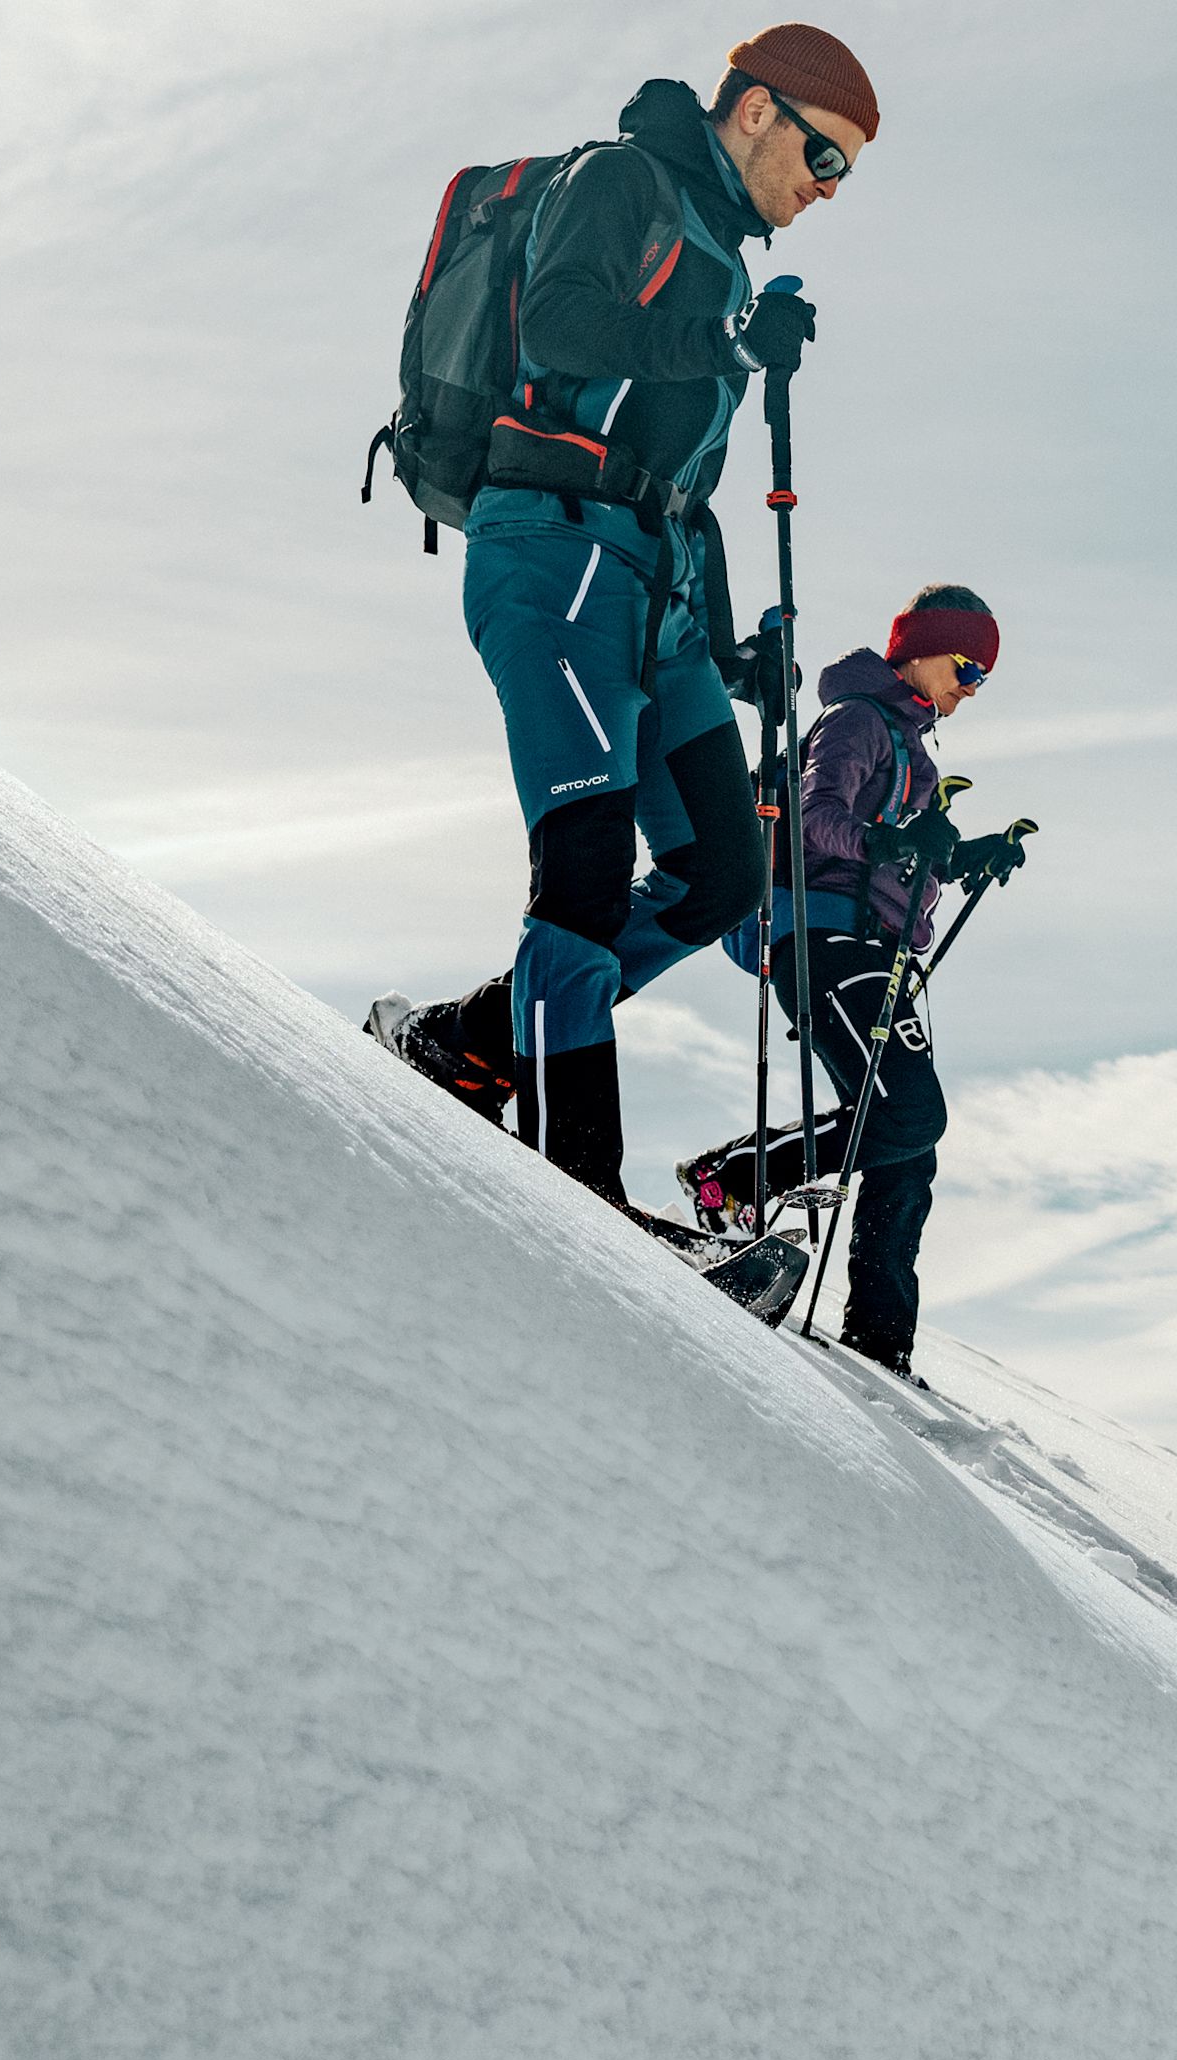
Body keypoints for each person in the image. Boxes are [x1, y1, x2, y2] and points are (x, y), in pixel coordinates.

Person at [373, 26, 879, 1220]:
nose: (826, 189)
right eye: (827, 157)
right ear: (755, 111)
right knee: (587, 877)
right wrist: (724, 343)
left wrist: (731, 649)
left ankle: (468, 1042)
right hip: (550, 554)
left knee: (721, 871)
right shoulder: (624, 181)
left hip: (652, 593)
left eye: (844, 172)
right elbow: (558, 328)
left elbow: (677, 483)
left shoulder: (723, 256)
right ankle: (573, 1199)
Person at [678, 585, 1029, 1376]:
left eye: (983, 678)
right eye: (966, 667)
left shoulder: (915, 747)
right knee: (908, 1114)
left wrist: (961, 857)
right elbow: (814, 816)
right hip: (827, 938)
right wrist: (890, 839)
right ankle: (728, 1178)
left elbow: (897, 851)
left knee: (910, 1146)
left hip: (877, 948)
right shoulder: (858, 721)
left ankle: (882, 1341)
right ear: (919, 647)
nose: (971, 688)